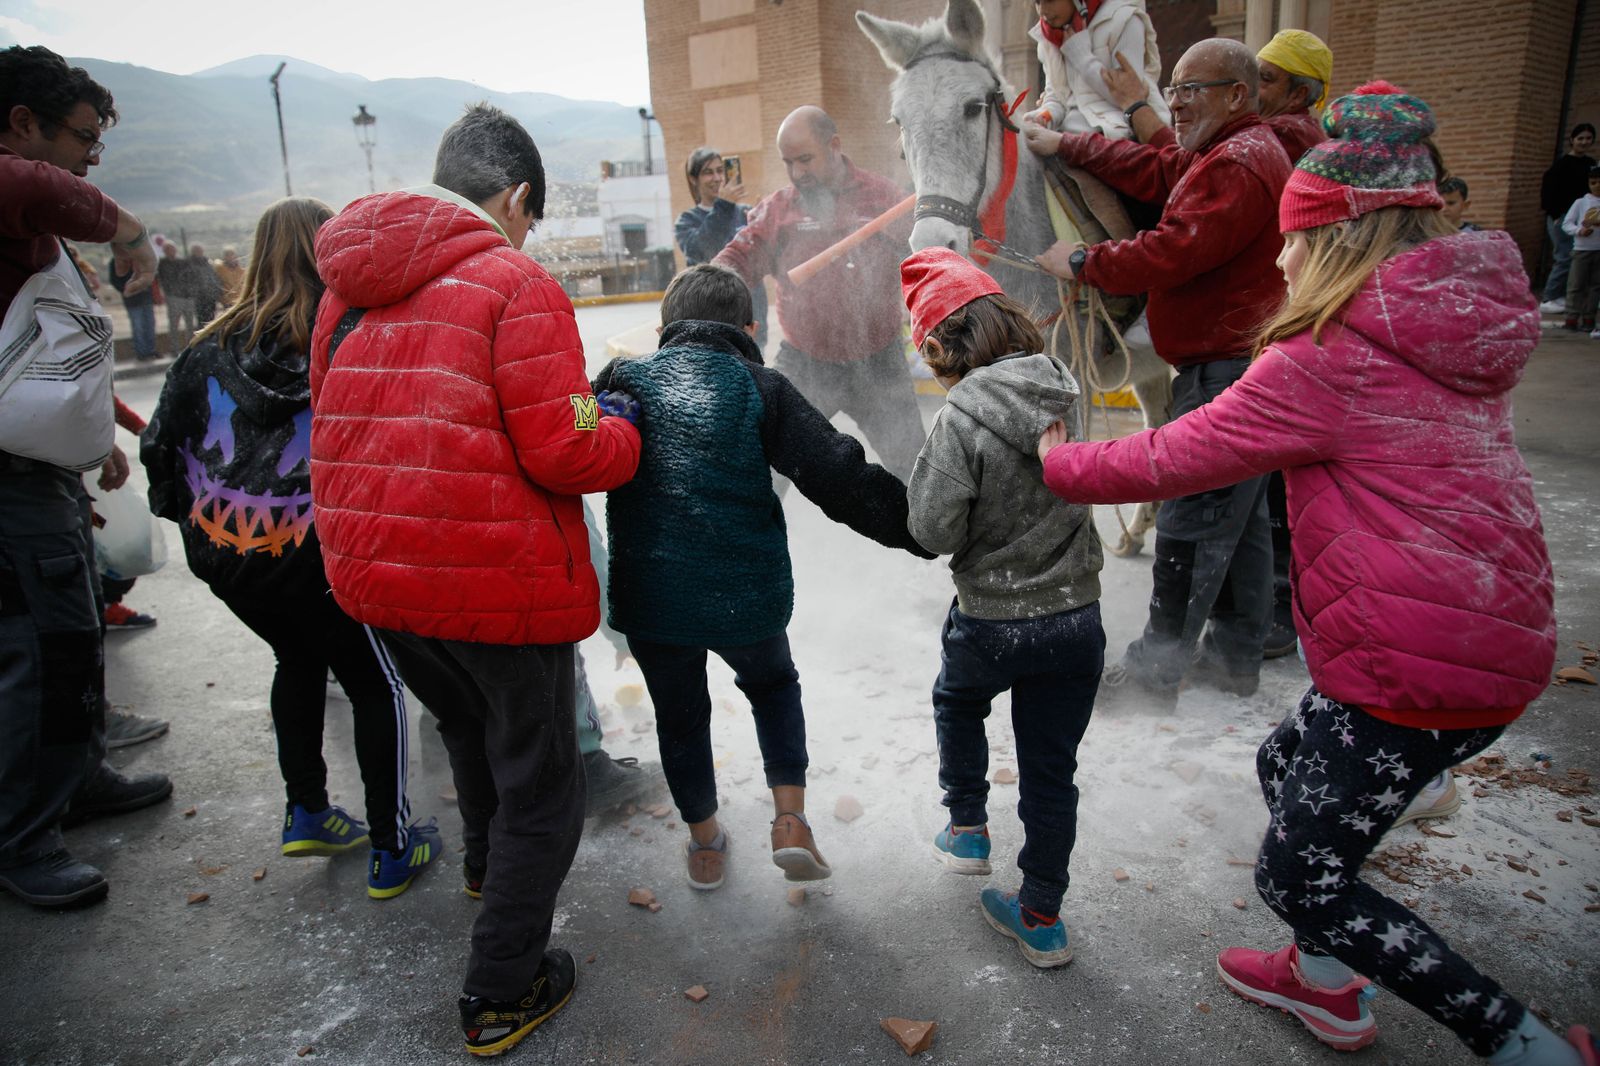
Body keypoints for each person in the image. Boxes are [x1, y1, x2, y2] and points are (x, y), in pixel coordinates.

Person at [1037, 80, 1599, 1066]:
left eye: (1292, 240)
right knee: (1282, 764)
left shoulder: (1325, 356)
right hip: (1488, 646)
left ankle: (1522, 1044)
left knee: (1301, 877)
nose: (1281, 257)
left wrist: (1047, 461)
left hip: (1409, 672)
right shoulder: (1445, 332)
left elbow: (1168, 457)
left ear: (1332, 244)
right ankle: (1325, 985)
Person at [309, 103, 640, 1056]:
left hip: (379, 581)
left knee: (464, 723)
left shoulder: (348, 289)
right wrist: (621, 426)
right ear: (519, 197)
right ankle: (502, 986)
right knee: (544, 785)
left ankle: (485, 871)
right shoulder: (514, 280)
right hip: (494, 584)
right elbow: (568, 450)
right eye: (529, 215)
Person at [593, 263, 932, 893]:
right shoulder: (760, 384)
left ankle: (705, 845)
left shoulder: (624, 379)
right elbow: (837, 473)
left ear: (666, 326)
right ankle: (790, 822)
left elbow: (575, 435)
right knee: (773, 687)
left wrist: (591, 411)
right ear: (749, 326)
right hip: (743, 593)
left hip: (653, 596)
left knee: (680, 716)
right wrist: (920, 528)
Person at [142, 197, 438, 900]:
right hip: (330, 557)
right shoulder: (349, 338)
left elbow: (161, 450)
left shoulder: (206, 347)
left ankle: (307, 809)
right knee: (375, 683)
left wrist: (194, 525)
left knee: (295, 660)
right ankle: (393, 846)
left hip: (235, 561)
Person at [1026, 38, 1292, 704]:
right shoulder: (1219, 152)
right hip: (1238, 362)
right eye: (1171, 89)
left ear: (1238, 94)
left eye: (1191, 89)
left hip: (1225, 371)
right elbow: (1150, 166)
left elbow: (1177, 249)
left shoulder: (1240, 162)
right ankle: (1234, 659)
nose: (1175, 103)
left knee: (1190, 519)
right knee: (1244, 524)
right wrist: (1065, 148)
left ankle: (1153, 676)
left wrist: (1085, 263)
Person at [0, 44, 172, 910]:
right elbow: (575, 435)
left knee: (64, 640)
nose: (87, 160)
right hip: (12, 486)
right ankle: (23, 835)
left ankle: (74, 776)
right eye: (83, 139)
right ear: (21, 124)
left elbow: (47, 360)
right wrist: (604, 416)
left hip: (41, 475)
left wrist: (102, 432)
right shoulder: (18, 192)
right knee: (37, 649)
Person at [900, 247, 1104, 969]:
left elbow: (930, 529)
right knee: (1052, 770)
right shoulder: (1060, 389)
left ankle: (968, 828)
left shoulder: (960, 416)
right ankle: (1042, 917)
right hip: (1076, 617)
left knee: (959, 703)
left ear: (943, 344)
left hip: (992, 618)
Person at [713, 106, 926, 482]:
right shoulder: (778, 210)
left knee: (916, 472)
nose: (798, 174)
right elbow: (737, 258)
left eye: (806, 160)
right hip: (805, 365)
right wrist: (703, 292)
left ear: (835, 146)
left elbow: (923, 260)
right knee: (760, 471)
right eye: (789, 163)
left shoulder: (883, 199)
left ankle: (935, 542)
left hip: (878, 362)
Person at [1108, 27, 1330, 166]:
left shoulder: (1287, 134)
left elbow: (1181, 162)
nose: (1252, 87)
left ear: (1298, 96)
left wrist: (1135, 106)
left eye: (1265, 78)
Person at [1020, 0, 1167, 138]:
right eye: (1037, 2)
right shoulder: (1050, 36)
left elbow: (1130, 98)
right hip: (1069, 136)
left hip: (1120, 136)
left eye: (1050, 0)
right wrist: (1044, 116)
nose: (1043, 10)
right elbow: (1058, 96)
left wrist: (1082, 58)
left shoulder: (1125, 19)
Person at [676, 146, 767, 347]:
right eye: (708, 172)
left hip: (750, 318)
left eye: (720, 170)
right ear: (693, 179)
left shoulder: (744, 212)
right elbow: (701, 249)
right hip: (710, 320)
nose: (717, 178)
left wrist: (764, 222)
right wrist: (723, 207)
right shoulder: (687, 220)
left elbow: (761, 259)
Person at [1540, 122, 1596, 313]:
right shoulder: (1562, 164)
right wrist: (1554, 214)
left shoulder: (1591, 165)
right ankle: (1550, 296)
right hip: (1561, 217)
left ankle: (1570, 297)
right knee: (1564, 256)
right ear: (1572, 140)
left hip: (1583, 219)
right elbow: (1548, 190)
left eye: (1588, 138)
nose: (1584, 142)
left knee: (1581, 259)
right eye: (1580, 138)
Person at [1559, 164, 1600, 335]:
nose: (1597, 185)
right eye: (1593, 182)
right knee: (1576, 284)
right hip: (1582, 249)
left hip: (1599, 250)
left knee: (1595, 286)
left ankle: (1589, 317)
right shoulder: (1581, 202)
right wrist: (1579, 231)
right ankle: (1571, 317)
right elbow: (1567, 223)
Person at [108, 248, 158, 360]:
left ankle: (151, 351)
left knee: (150, 324)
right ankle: (141, 353)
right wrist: (126, 289)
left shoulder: (140, 257)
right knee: (138, 326)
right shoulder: (117, 261)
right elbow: (114, 280)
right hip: (132, 300)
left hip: (146, 297)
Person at [156, 240, 196, 348]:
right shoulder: (162, 264)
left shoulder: (184, 262)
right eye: (168, 249)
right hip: (173, 297)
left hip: (187, 296)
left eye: (172, 248)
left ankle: (190, 346)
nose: (171, 251)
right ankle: (175, 347)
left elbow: (191, 277)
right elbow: (162, 279)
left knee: (190, 324)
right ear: (164, 251)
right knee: (174, 324)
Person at [188, 243, 222, 325]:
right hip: (199, 298)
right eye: (197, 250)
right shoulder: (189, 264)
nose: (199, 252)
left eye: (200, 250)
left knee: (211, 319)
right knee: (201, 321)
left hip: (210, 296)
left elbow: (214, 277)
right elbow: (189, 280)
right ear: (193, 252)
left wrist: (216, 291)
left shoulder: (208, 262)